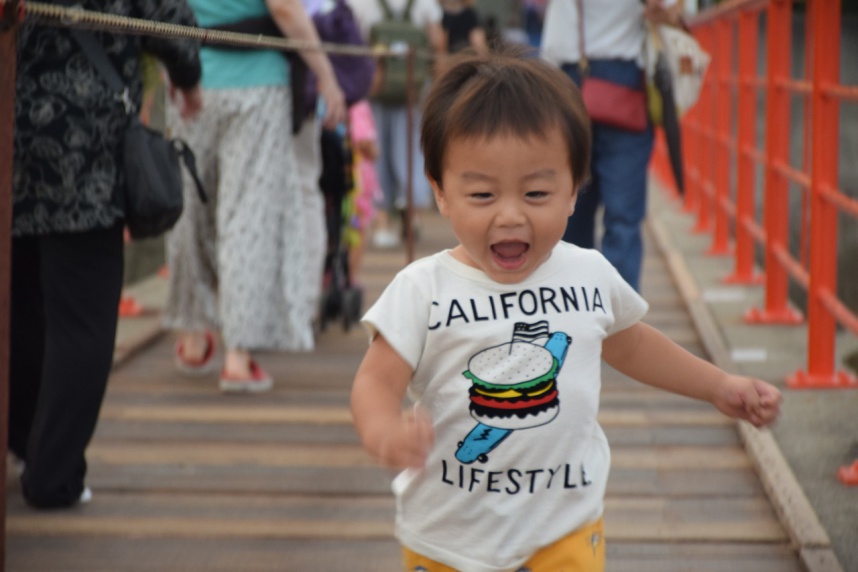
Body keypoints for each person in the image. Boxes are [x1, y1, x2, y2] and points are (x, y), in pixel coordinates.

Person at [349, 49, 782, 571]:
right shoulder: (422, 288)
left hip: (565, 528)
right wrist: (383, 431)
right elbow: (375, 380)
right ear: (441, 193)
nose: (510, 215)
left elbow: (632, 343)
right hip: (451, 538)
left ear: (574, 191)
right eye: (482, 194)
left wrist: (717, 386)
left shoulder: (589, 274)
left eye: (536, 192)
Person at [10, 0, 202, 509]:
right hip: (84, 146)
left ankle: (25, 443)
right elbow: (171, 22)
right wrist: (187, 76)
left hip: (9, 133)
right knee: (80, 320)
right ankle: (52, 474)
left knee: (19, 305)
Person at [163, 0, 347, 392]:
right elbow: (283, 7)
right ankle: (238, 357)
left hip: (189, 78)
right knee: (248, 214)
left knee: (191, 207)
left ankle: (194, 339)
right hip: (257, 83)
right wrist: (327, 78)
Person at [541, 0, 684, 291]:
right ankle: (621, 322)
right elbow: (668, 9)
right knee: (623, 217)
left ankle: (571, 307)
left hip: (564, 77)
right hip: (623, 81)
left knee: (568, 210)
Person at [348, 0, 446, 248]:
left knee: (375, 150)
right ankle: (411, 217)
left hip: (374, 86)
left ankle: (381, 222)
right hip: (412, 86)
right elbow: (437, 41)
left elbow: (354, 38)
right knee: (411, 150)